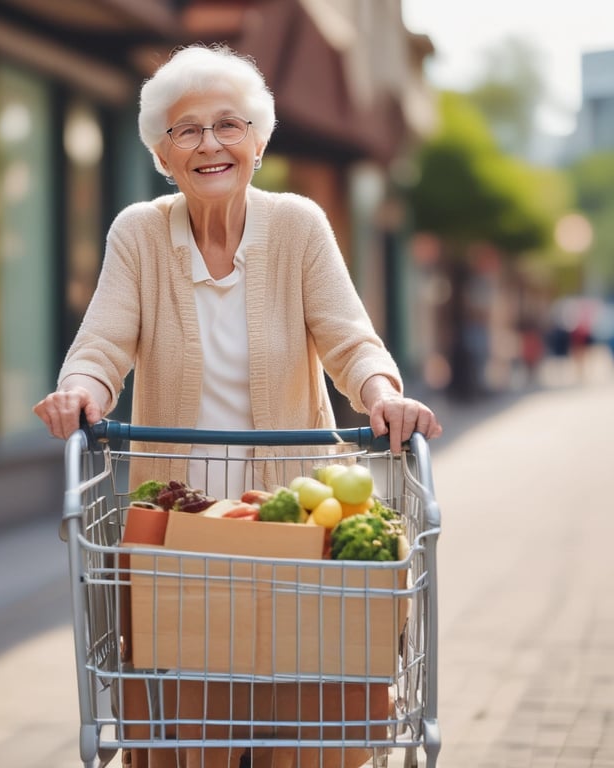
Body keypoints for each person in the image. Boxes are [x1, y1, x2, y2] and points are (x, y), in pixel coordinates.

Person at [33, 43, 442, 768]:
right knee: (185, 740)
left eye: (228, 125)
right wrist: (81, 393)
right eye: (186, 130)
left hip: (293, 525)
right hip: (179, 534)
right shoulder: (139, 233)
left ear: (259, 140)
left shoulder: (298, 226)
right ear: (162, 152)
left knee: (310, 723)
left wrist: (384, 396)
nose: (209, 144)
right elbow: (102, 342)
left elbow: (350, 341)